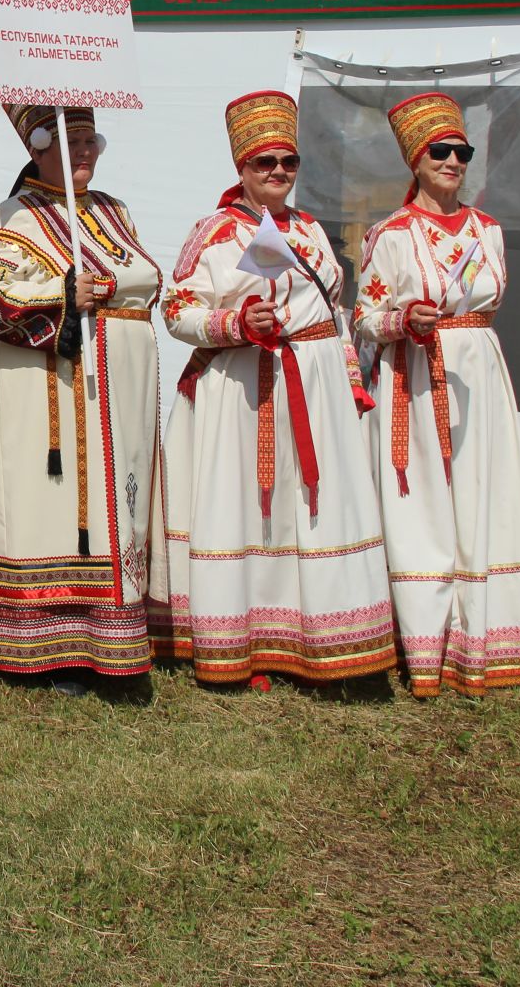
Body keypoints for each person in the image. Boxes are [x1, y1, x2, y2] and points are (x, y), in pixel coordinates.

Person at [152, 91, 395, 687]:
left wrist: (349, 380)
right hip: (241, 389)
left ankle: (312, 637)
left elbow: (335, 312)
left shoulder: (310, 229)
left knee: (303, 508)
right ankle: (244, 641)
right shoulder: (214, 232)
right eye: (266, 163)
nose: (279, 173)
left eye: (289, 162)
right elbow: (176, 308)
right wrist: (235, 324)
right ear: (241, 168)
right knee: (247, 510)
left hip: (314, 389)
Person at [352, 92, 520, 697]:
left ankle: (484, 641)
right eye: (441, 151)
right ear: (416, 159)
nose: (453, 161)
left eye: (461, 152)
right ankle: (423, 648)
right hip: (416, 369)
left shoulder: (488, 231)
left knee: (483, 494)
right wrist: (403, 320)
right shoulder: (391, 234)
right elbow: (363, 317)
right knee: (423, 505)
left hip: (478, 369)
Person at [0, 105, 162, 689]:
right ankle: (50, 647)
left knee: (112, 505)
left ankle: (113, 640)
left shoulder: (114, 211)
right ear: (37, 144)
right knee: (50, 509)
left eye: (91, 141)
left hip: (116, 388)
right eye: (71, 141)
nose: (86, 153)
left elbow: (146, 280)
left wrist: (99, 291)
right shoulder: (10, 217)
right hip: (45, 390)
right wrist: (60, 291)